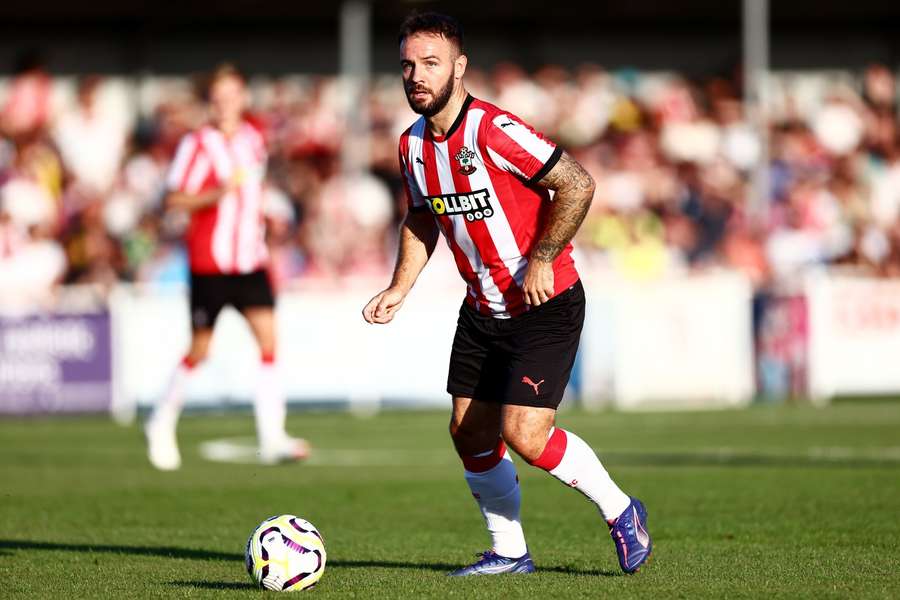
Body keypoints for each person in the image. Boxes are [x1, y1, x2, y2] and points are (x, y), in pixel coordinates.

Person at [363, 13, 652, 576]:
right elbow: (421, 219)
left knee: (523, 432)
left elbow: (576, 182)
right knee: (468, 429)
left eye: (430, 63)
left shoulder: (493, 130)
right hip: (482, 310)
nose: (416, 76)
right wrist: (400, 285)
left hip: (544, 305)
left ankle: (621, 510)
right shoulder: (411, 146)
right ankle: (509, 552)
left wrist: (542, 256)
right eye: (407, 65)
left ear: (459, 67)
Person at [145, 64, 308, 470]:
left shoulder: (254, 139)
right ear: (210, 103)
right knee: (200, 348)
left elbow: (253, 192)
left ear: (242, 98)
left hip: (250, 259)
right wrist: (218, 193)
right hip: (211, 262)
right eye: (218, 98)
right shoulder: (197, 144)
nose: (225, 104)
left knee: (269, 341)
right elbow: (174, 200)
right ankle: (160, 420)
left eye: (232, 95)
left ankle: (272, 436)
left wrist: (266, 214)